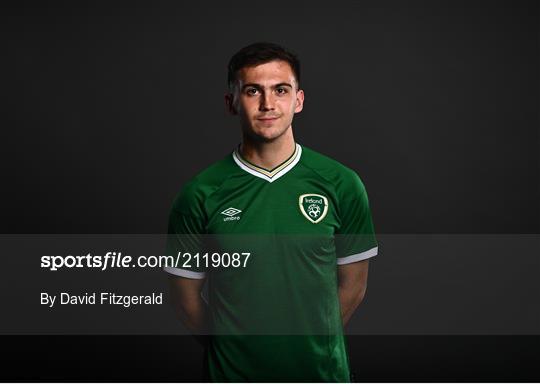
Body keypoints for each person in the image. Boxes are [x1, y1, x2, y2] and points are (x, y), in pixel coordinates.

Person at [164, 42, 378, 382]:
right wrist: (236, 347)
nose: (268, 104)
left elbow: (354, 287)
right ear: (231, 102)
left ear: (299, 100)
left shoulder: (341, 184)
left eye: (281, 90)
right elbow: (183, 298)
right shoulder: (200, 194)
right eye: (252, 91)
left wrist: (312, 342)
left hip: (320, 375)